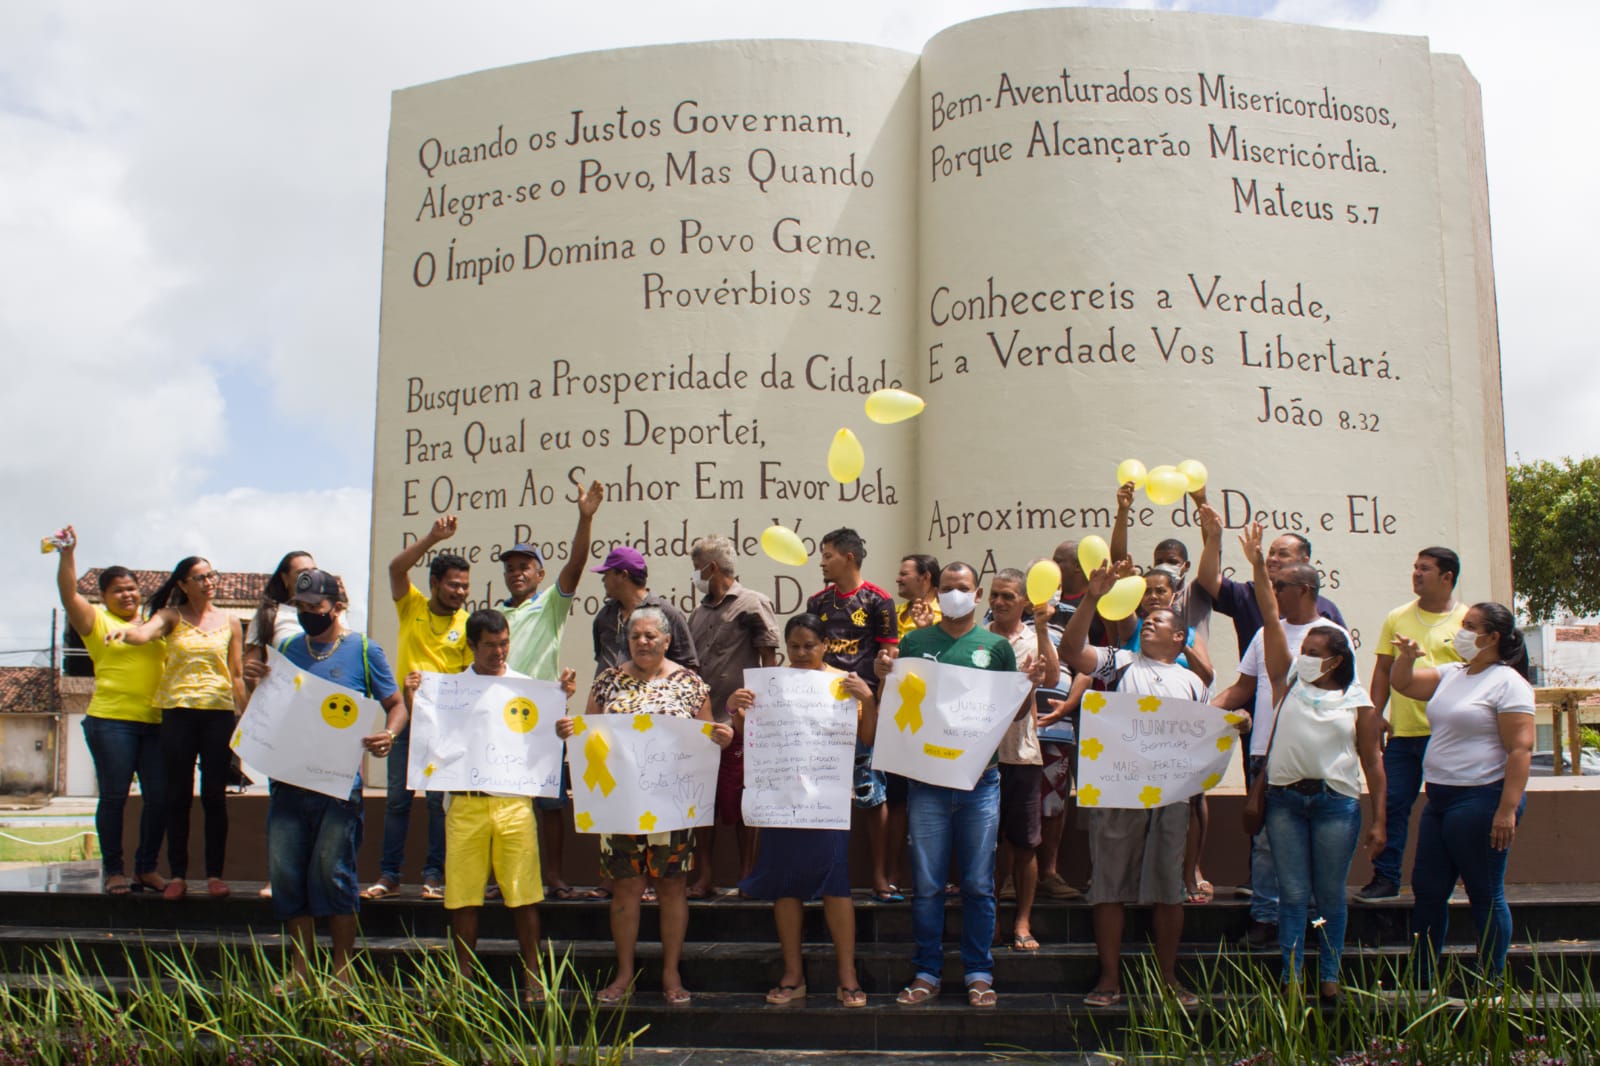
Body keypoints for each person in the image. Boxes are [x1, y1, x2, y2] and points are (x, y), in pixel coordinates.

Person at [1061, 561, 1225, 1009]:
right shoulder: (1119, 662)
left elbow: (1202, 736)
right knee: (1109, 887)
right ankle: (1109, 979)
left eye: (1159, 621)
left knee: (1169, 890)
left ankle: (1168, 978)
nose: (1148, 622)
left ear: (1180, 637)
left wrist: (1236, 724)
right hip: (1118, 791)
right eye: (1145, 619)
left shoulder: (1193, 682)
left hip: (1170, 797)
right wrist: (1092, 598)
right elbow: (1072, 651)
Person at [1236, 525, 1385, 999]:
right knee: (1294, 894)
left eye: (1314, 654)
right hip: (1284, 802)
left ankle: (1330, 975)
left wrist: (1379, 819)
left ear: (1336, 660)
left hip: (1335, 805)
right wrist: (1257, 567)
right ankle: (1292, 975)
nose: (1303, 657)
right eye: (1302, 651)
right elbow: (1269, 614)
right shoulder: (1286, 684)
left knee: (1330, 896)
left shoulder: (1357, 701)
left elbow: (1373, 762)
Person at [557, 607, 733, 1006]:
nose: (642, 642)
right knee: (626, 888)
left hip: (672, 806)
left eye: (651, 635)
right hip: (620, 807)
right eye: (635, 636)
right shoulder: (608, 681)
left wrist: (720, 738)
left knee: (672, 888)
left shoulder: (690, 684)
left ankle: (671, 973)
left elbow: (706, 738)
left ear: (667, 640)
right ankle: (624, 974)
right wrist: (569, 729)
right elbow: (590, 737)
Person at [887, 562, 1035, 1010]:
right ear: (938, 593)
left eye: (963, 587)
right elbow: (902, 702)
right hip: (927, 781)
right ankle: (926, 971)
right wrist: (884, 673)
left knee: (978, 883)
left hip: (980, 781)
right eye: (948, 587)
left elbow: (1015, 713)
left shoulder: (996, 647)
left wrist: (1029, 685)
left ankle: (979, 972)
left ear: (978, 594)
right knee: (928, 884)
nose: (955, 594)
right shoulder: (914, 643)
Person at [411, 609, 577, 1003]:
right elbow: (427, 734)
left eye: (504, 643)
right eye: (490, 645)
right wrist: (412, 694)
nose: (499, 652)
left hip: (514, 804)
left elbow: (546, 737)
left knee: (525, 894)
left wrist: (560, 714)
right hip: (465, 805)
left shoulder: (528, 688)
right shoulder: (448, 690)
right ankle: (462, 977)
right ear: (471, 645)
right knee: (463, 897)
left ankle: (534, 976)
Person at [253, 569, 407, 987]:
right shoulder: (287, 648)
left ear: (336, 607)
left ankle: (342, 971)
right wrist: (256, 684)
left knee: (334, 874)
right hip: (288, 781)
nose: (307, 614)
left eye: (315, 607)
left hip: (337, 788)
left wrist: (388, 735)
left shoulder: (363, 650)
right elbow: (271, 708)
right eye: (300, 607)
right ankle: (301, 970)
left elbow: (396, 705)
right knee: (288, 875)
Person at [727, 613, 875, 1008]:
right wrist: (735, 709)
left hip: (827, 801)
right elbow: (747, 734)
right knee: (784, 885)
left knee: (836, 884)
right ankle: (793, 975)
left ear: (826, 645)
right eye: (794, 646)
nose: (802, 652)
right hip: (781, 800)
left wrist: (868, 700)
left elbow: (867, 737)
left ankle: (847, 976)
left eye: (810, 645)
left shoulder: (842, 684)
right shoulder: (771, 684)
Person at [1389, 602, 1535, 987]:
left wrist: (1506, 810)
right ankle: (1422, 978)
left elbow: (1521, 749)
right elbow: (1404, 685)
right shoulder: (1453, 673)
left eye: (1470, 626)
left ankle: (1490, 981)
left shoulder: (1508, 683)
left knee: (1484, 892)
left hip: (1482, 798)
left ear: (1493, 637)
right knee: (1428, 890)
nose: (1461, 633)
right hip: (1440, 799)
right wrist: (1406, 659)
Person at [1213, 559, 1350, 946]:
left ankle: (1312, 923)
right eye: (1270, 587)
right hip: (1264, 751)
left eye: (1280, 587)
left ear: (1304, 590)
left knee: (1312, 844)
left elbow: (1342, 693)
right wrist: (1202, 711)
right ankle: (1265, 917)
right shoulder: (1264, 635)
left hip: (1311, 756)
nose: (1272, 594)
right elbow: (1243, 687)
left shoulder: (1333, 636)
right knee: (1265, 843)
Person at [112, 556, 246, 900]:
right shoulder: (170, 616)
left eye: (211, 575)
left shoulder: (231, 622)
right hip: (177, 713)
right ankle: (178, 875)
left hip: (218, 714)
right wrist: (126, 633)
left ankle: (215, 875)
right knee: (178, 796)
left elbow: (236, 674)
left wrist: (245, 717)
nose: (208, 582)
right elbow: (144, 633)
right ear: (184, 584)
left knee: (214, 796)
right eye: (200, 577)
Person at [495, 480, 604, 901]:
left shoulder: (550, 606)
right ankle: (503, 878)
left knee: (551, 804)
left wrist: (585, 517)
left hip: (542, 721)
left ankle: (555, 877)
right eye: (510, 568)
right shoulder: (493, 617)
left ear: (540, 574)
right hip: (500, 722)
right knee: (504, 800)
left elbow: (576, 564)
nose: (517, 573)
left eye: (525, 566)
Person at [53, 527, 168, 895]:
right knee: (115, 797)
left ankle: (146, 868)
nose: (127, 594)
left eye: (131, 588)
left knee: (159, 798)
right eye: (118, 590)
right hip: (111, 722)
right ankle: (114, 870)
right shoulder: (96, 621)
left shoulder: (154, 626)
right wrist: (67, 555)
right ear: (103, 597)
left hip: (155, 724)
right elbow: (68, 594)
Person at [367, 515, 475, 901]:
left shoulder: (468, 624)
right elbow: (396, 569)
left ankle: (433, 876)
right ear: (434, 583)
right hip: (406, 721)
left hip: (444, 726)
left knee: (435, 803)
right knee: (398, 800)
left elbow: (468, 679)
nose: (460, 592)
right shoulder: (411, 605)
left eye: (465, 586)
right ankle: (389, 875)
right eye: (453, 584)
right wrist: (432, 537)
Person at [1360, 548, 1467, 901]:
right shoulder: (1397, 617)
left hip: (1448, 735)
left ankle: (1456, 879)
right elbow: (1383, 669)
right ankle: (1386, 877)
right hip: (1405, 733)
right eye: (1415, 567)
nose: (1416, 574)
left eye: (1425, 569)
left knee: (1452, 807)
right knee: (1391, 803)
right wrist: (1375, 714)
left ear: (1447, 577)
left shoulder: (1467, 621)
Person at [806, 528, 899, 901]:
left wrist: (878, 687)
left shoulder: (879, 600)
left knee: (872, 793)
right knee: (819, 791)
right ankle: (820, 874)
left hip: (864, 712)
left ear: (848, 557)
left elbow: (889, 656)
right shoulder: (817, 602)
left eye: (827, 555)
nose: (822, 562)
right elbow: (809, 652)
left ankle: (878, 875)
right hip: (822, 712)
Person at [686, 534, 780, 898]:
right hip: (702, 725)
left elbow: (769, 660)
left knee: (744, 803)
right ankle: (705, 876)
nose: (694, 575)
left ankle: (747, 876)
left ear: (711, 567)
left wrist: (763, 716)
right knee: (703, 804)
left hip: (741, 723)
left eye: (696, 567)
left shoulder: (753, 603)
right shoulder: (696, 614)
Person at [987, 568, 1060, 952]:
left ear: (1025, 602)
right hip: (981, 757)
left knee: (1025, 843)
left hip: (1022, 754)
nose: (999, 602)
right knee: (987, 845)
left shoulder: (1034, 639)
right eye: (995, 595)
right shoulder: (978, 638)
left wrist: (1043, 629)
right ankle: (991, 917)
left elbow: (1053, 677)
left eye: (1008, 597)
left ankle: (1022, 920)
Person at [242, 550, 316, 900]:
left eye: (313, 570)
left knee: (319, 803)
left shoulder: (329, 610)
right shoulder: (268, 615)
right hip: (282, 720)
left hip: (320, 721)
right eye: (300, 572)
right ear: (284, 578)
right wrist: (251, 671)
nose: (308, 576)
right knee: (285, 803)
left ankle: (314, 878)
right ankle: (279, 877)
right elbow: (250, 664)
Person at [1194, 504, 1346, 656]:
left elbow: (1341, 658)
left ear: (1304, 561)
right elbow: (1208, 579)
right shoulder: (1249, 594)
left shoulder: (1324, 609)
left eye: (1283, 554)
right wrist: (1214, 537)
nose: (1273, 559)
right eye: (1271, 553)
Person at [591, 547, 699, 673]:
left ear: (623, 575)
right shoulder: (605, 615)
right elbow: (601, 656)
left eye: (606, 574)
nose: (603, 580)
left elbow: (688, 667)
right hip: (605, 686)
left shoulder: (667, 614)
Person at [894, 554, 942, 638]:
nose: (897, 580)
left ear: (925, 577)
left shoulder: (944, 617)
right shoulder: (892, 611)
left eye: (904, 574)